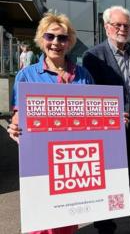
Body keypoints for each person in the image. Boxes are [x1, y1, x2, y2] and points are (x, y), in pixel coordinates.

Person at [7, 12, 94, 234]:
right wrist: (15, 128)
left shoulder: (83, 75)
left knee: (67, 218)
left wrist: (113, 119)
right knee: (40, 220)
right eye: (50, 37)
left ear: (70, 42)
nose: (56, 43)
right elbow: (18, 115)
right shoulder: (26, 76)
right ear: (41, 39)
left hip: (73, 161)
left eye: (62, 38)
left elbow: (94, 113)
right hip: (40, 160)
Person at [83, 6, 130, 234]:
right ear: (107, 27)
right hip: (108, 128)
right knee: (107, 178)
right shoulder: (93, 56)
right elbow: (89, 96)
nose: (122, 29)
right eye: (118, 25)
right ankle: (106, 227)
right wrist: (110, 115)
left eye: (126, 25)